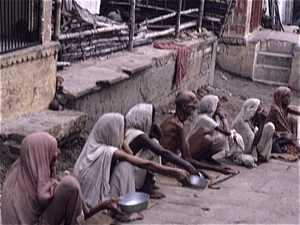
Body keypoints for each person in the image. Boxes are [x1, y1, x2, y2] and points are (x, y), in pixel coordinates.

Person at [73, 113, 190, 221]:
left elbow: (129, 153)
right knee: (125, 165)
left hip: (90, 203)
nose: (123, 134)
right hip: (97, 205)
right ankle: (125, 213)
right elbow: (141, 162)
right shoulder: (106, 151)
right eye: (121, 131)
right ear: (112, 131)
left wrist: (121, 141)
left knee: (126, 163)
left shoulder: (94, 146)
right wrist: (175, 172)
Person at [1, 132, 125, 225]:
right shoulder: (18, 196)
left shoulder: (25, 172)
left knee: (69, 184)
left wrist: (104, 205)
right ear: (40, 157)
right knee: (69, 184)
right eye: (52, 158)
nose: (54, 164)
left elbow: (83, 213)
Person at [124, 103, 198, 199]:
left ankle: (148, 184)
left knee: (155, 142)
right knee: (154, 148)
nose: (153, 123)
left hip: (132, 171)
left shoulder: (135, 131)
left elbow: (159, 135)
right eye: (151, 120)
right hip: (130, 176)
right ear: (144, 120)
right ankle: (146, 188)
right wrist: (187, 165)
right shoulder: (139, 136)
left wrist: (153, 124)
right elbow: (163, 152)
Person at [160, 90, 235, 174]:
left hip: (174, 155)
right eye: (195, 103)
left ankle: (202, 160)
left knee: (205, 131)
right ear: (184, 106)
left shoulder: (175, 121)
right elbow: (188, 159)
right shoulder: (178, 126)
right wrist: (218, 169)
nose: (197, 106)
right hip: (168, 162)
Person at [231, 98, 275, 163]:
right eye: (259, 110)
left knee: (270, 126)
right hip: (242, 150)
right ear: (251, 111)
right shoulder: (241, 123)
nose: (261, 112)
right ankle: (256, 157)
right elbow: (253, 141)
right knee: (249, 160)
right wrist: (262, 122)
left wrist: (261, 122)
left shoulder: (252, 119)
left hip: (252, 146)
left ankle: (261, 155)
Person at [266, 86, 300, 156]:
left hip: (281, 133)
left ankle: (292, 141)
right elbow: (285, 129)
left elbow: (291, 110)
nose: (291, 99)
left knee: (293, 119)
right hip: (274, 136)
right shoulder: (276, 110)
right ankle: (292, 143)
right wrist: (294, 142)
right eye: (288, 97)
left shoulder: (282, 106)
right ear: (281, 99)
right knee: (288, 135)